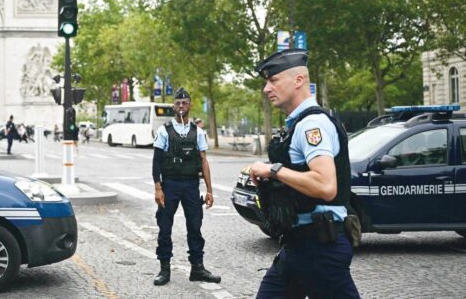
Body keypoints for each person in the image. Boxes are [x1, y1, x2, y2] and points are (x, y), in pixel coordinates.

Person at [249, 49, 359, 298]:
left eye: (273, 80)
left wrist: (274, 171)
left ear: (298, 80)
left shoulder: (312, 124)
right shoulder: (298, 124)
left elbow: (325, 185)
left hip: (319, 249)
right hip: (300, 245)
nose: (267, 88)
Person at [152, 88, 222, 286]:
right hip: (170, 184)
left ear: (190, 105)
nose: (181, 106)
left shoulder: (198, 132)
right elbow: (157, 161)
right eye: (178, 103)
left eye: (185, 103)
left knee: (195, 226)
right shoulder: (164, 130)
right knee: (165, 227)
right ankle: (164, 269)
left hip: (191, 185)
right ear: (174, 106)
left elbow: (204, 161)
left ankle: (197, 268)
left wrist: (209, 190)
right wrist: (158, 187)